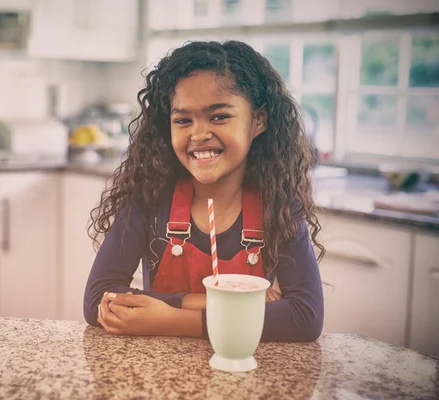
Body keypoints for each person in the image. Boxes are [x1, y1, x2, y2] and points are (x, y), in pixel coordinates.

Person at [83, 40, 325, 342]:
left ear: (258, 120)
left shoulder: (278, 205)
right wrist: (215, 303)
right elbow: (97, 300)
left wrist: (170, 319)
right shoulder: (149, 198)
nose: (198, 134)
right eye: (183, 120)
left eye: (219, 116)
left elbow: (305, 317)